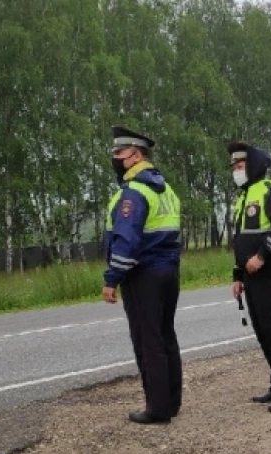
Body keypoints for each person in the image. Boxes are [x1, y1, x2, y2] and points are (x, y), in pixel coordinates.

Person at [102, 125, 184, 425]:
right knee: (166, 337)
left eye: (120, 153)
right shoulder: (166, 190)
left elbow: (126, 240)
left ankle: (157, 409)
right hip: (168, 272)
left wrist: (112, 279)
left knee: (148, 342)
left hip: (142, 275)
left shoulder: (133, 193)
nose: (116, 159)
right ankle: (172, 402)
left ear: (136, 155)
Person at [227, 140, 271, 413]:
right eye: (233, 166)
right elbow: (240, 241)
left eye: (240, 165)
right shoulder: (243, 197)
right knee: (262, 332)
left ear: (254, 165)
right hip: (251, 276)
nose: (235, 170)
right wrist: (237, 275)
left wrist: (261, 257)